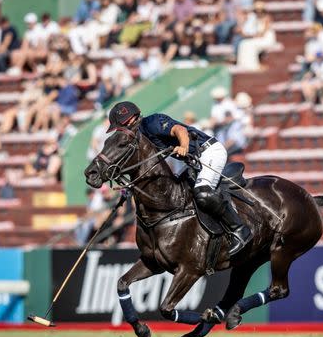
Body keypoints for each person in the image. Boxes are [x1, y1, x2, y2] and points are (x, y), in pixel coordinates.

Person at [108, 101, 252, 255]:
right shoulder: (140, 137)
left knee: (203, 193)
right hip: (194, 161)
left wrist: (183, 146)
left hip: (208, 151)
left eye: (121, 126)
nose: (121, 130)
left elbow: (179, 129)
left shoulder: (151, 122)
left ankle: (240, 230)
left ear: (130, 120)